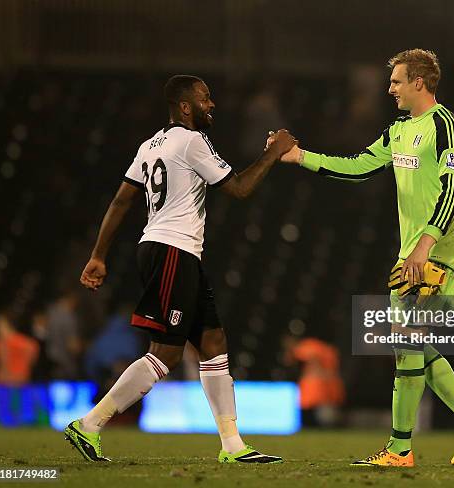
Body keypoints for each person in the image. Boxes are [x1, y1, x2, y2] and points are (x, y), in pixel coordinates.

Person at [277, 49, 454, 467]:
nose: (390, 88)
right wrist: (301, 157)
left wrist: (426, 243)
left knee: (408, 348)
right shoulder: (398, 130)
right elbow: (359, 166)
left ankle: (400, 448)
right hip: (410, 255)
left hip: (439, 252)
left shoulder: (446, 126)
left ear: (419, 82)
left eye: (396, 81)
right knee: (410, 345)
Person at [65, 75, 296, 463]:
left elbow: (122, 202)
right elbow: (238, 189)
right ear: (185, 106)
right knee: (166, 354)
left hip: (169, 249)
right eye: (205, 98)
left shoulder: (150, 144)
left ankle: (233, 445)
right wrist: (274, 152)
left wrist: (99, 254)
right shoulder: (192, 141)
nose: (213, 104)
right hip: (173, 251)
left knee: (213, 341)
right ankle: (89, 424)